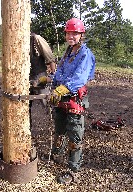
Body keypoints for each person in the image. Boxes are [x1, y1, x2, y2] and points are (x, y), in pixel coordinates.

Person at [40, 18, 95, 184]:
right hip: (61, 99)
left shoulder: (85, 54)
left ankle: (73, 169)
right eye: (69, 33)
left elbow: (79, 78)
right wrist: (47, 79)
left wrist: (61, 89)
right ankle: (56, 154)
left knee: (74, 135)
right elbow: (60, 74)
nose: (71, 36)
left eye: (75, 33)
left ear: (81, 35)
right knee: (59, 129)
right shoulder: (69, 52)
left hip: (75, 101)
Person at [29, 33, 56, 128]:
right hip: (24, 80)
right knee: (24, 107)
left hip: (39, 77)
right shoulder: (14, 41)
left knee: (49, 104)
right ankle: (27, 132)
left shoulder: (36, 39)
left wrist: (53, 75)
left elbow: (50, 57)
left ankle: (58, 130)